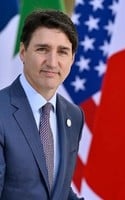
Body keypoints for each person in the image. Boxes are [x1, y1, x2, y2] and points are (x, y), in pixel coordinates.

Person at [0, 9, 84, 199]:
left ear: (72, 59)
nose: (52, 62)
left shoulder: (74, 115)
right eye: (42, 49)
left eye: (62, 52)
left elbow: (58, 190)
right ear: (23, 52)